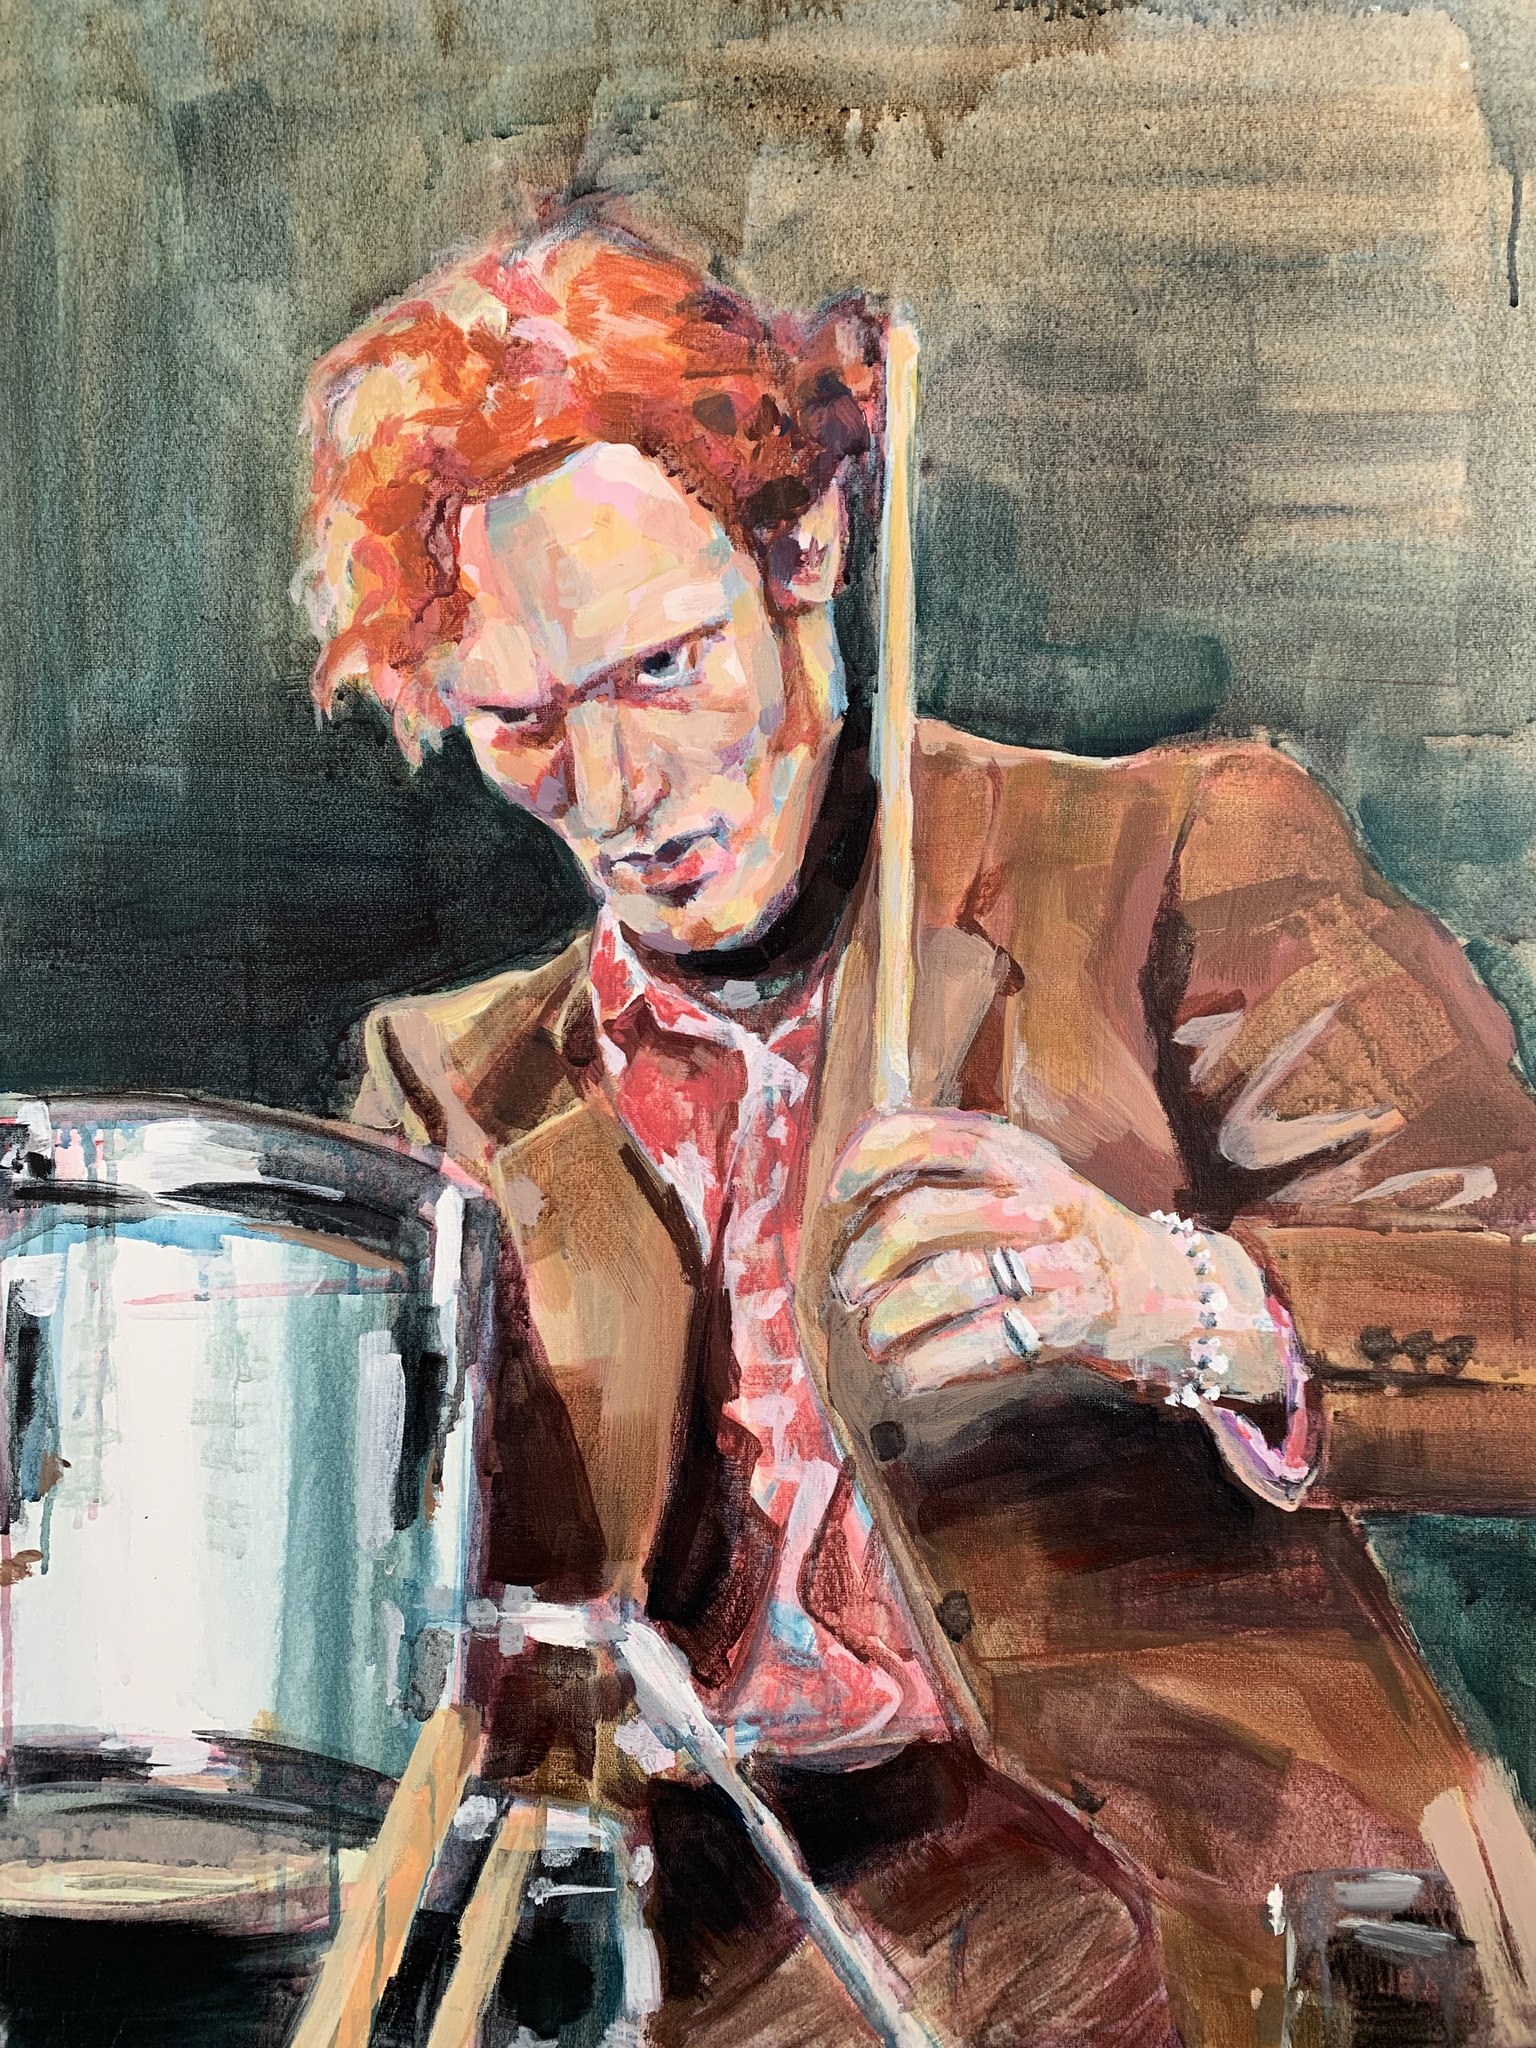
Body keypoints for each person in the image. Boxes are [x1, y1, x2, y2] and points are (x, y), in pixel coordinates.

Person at [296, 200, 1536, 2045]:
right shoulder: (452, 1093)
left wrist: (1172, 1301)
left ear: (800, 547)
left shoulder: (1167, 858)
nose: (620, 790)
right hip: (702, 1958)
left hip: (1207, 1935)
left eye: (663, 666)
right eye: (524, 723)